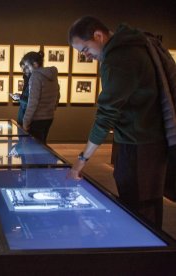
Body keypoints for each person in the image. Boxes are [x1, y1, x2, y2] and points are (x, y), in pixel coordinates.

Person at [66, 16, 167, 228]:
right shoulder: (134, 45)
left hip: (140, 144)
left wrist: (81, 161)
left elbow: (105, 116)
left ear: (98, 36)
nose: (86, 56)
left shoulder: (119, 58)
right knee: (145, 204)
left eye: (84, 49)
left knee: (140, 209)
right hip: (147, 141)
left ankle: (145, 257)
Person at [22, 51, 60, 144]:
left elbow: (33, 102)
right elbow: (57, 94)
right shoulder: (52, 75)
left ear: (35, 64)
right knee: (42, 145)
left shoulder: (35, 76)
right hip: (49, 117)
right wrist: (52, 109)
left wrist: (25, 121)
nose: (27, 69)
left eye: (27, 66)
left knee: (33, 149)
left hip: (37, 119)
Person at [16, 59, 31, 125]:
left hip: (27, 117)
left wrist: (20, 98)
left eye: (25, 68)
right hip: (23, 114)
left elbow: (33, 102)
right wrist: (20, 97)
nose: (23, 71)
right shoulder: (27, 78)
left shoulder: (33, 80)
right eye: (22, 69)